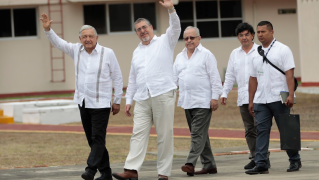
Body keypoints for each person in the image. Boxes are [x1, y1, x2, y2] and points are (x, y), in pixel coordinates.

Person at [40, 13, 123, 180]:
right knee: (93, 141)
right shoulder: (76, 50)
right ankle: (106, 173)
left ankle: (90, 170)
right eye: (84, 36)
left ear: (97, 37)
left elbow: (118, 76)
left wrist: (117, 100)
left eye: (90, 36)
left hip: (101, 103)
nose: (87, 39)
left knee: (98, 138)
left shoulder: (107, 53)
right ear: (80, 38)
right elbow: (59, 43)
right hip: (83, 102)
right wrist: (48, 29)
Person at [111, 0, 180, 180]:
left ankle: (163, 173)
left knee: (164, 135)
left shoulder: (166, 40)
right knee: (138, 133)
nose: (142, 31)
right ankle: (131, 170)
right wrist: (129, 100)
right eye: (138, 29)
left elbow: (176, 28)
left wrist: (171, 9)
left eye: (144, 27)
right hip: (142, 97)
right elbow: (133, 78)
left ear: (151, 27)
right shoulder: (136, 52)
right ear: (136, 33)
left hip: (163, 93)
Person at [245, 21, 301, 175]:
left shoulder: (283, 50)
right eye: (258, 32)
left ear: (272, 32)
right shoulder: (255, 53)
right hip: (261, 99)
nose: (260, 35)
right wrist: (251, 100)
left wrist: (290, 94)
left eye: (263, 31)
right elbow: (252, 79)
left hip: (280, 97)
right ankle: (261, 163)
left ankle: (294, 159)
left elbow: (290, 74)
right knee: (261, 130)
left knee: (286, 130)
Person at [173, 26, 222, 177]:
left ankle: (190, 163)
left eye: (192, 38)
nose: (189, 41)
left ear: (199, 39)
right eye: (186, 38)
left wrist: (215, 98)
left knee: (196, 133)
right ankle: (209, 165)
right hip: (187, 102)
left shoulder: (207, 55)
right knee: (201, 134)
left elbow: (215, 78)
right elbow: (173, 80)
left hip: (203, 101)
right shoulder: (179, 57)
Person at [221, 22, 270, 170]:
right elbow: (230, 75)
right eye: (241, 35)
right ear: (238, 37)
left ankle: (263, 159)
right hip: (243, 97)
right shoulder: (234, 54)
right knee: (249, 130)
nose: (244, 38)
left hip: (260, 96)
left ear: (252, 35)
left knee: (260, 128)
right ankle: (255, 157)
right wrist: (225, 92)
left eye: (247, 34)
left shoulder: (261, 50)